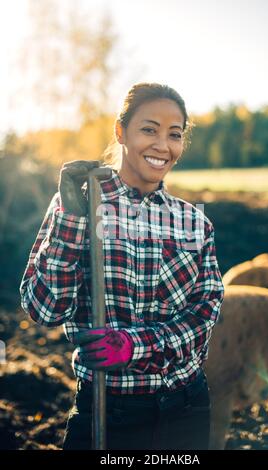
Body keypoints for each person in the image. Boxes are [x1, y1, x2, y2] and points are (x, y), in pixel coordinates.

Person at [20, 82, 224, 450]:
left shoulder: (194, 222)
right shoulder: (82, 204)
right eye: (149, 129)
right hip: (109, 412)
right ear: (121, 131)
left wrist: (136, 346)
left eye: (174, 135)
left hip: (187, 407)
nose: (163, 145)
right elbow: (45, 309)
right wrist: (72, 219)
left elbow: (205, 314)